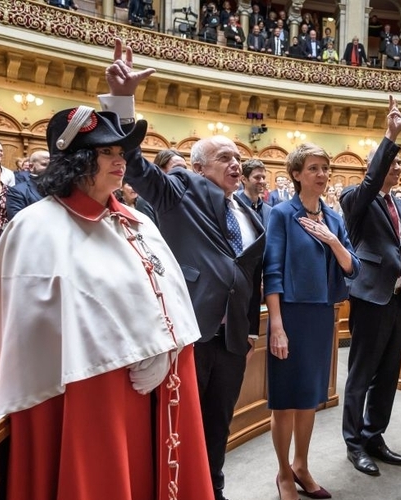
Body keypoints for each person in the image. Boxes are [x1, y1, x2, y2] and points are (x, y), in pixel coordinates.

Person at [0, 103, 212, 500]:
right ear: (76, 160)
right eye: (106, 152)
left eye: (120, 152)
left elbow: (167, 295)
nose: (119, 161)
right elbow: (37, 324)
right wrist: (132, 349)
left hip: (159, 386)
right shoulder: (36, 226)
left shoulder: (138, 221)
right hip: (88, 394)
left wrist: (164, 348)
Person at [102, 39, 266, 500]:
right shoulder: (180, 190)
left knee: (218, 427)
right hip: (190, 330)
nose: (236, 164)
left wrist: (249, 327)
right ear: (197, 167)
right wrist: (123, 102)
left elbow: (249, 273)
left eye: (238, 157)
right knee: (176, 427)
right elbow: (135, 167)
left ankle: (212, 489)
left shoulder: (250, 212)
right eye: (225, 158)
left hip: (232, 339)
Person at [265, 142, 359, 499]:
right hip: (290, 315)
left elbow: (352, 266)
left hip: (322, 315)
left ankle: (301, 465)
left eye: (325, 168)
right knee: (286, 399)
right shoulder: (282, 215)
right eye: (314, 168)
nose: (322, 175)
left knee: (309, 397)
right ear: (296, 175)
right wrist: (276, 326)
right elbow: (272, 272)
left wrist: (334, 241)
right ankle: (283, 473)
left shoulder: (334, 218)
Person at [340, 97, 401, 476]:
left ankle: (375, 435)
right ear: (376, 166)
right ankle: (353, 443)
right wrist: (390, 135)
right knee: (362, 374)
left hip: (398, 300)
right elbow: (370, 182)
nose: (398, 168)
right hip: (370, 298)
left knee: (388, 375)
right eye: (392, 161)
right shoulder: (356, 199)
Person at [7, 150, 48, 219]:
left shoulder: (59, 189)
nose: (50, 168)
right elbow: (17, 221)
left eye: (52, 165)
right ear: (31, 167)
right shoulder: (17, 191)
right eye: (44, 164)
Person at [237, 158, 272, 226]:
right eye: (257, 177)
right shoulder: (235, 205)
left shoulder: (269, 210)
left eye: (263, 177)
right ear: (244, 179)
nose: (262, 181)